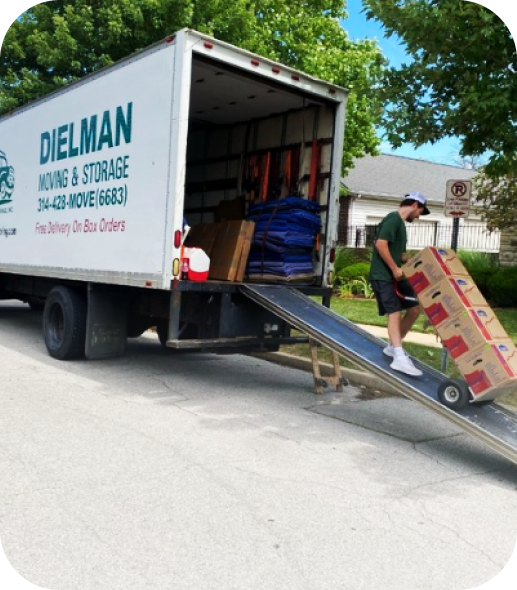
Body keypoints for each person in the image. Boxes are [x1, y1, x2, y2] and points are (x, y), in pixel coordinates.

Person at [368, 191, 430, 376]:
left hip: (395, 276)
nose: (419, 216)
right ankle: (398, 357)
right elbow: (381, 244)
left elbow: (401, 255)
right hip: (383, 275)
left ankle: (392, 347)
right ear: (414, 205)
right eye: (420, 211)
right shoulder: (393, 219)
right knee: (394, 312)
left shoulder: (401, 225)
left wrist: (418, 265)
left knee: (413, 309)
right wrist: (395, 268)